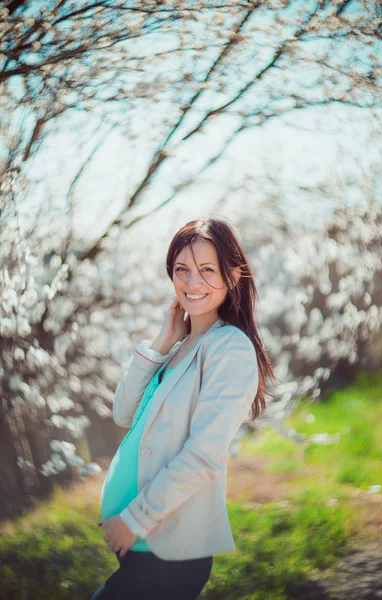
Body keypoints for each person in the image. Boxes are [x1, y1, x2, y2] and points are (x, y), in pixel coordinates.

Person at [90, 217, 275, 599]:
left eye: (207, 270)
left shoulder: (230, 349)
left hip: (170, 549)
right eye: (182, 270)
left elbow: (204, 455)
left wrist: (134, 518)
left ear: (233, 274)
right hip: (142, 544)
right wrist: (161, 342)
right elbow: (123, 413)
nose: (192, 283)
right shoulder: (178, 347)